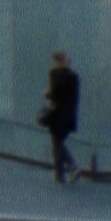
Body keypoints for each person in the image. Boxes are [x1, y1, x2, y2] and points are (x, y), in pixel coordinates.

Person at [42, 50, 82, 184]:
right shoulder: (72, 77)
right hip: (67, 116)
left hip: (59, 115)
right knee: (58, 143)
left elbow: (54, 92)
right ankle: (66, 171)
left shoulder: (60, 75)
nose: (56, 63)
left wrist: (48, 92)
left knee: (57, 144)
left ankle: (66, 171)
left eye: (58, 61)